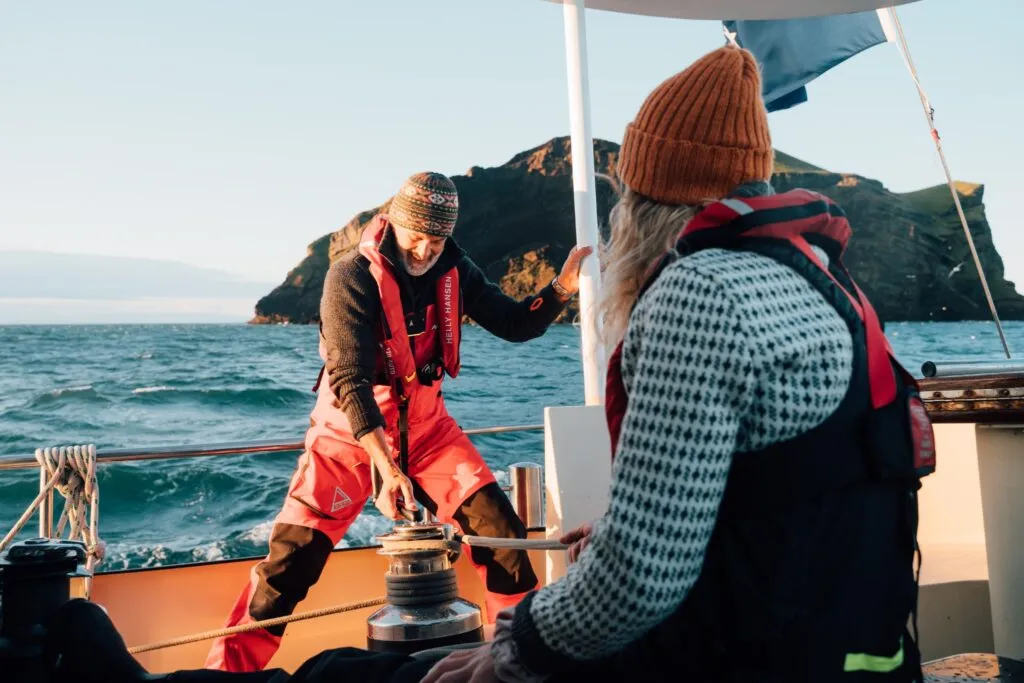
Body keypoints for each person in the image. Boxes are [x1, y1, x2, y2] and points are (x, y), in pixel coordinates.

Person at [423, 44, 936, 683]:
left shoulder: (701, 292)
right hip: (856, 656)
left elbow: (637, 581)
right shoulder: (827, 284)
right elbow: (784, 498)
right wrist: (621, 531)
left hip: (743, 662)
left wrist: (507, 655)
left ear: (645, 200)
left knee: (386, 670)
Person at [205, 171, 592, 673]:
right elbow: (348, 379)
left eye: (436, 241)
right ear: (395, 224)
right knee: (288, 569)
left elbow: (517, 324)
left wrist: (562, 286)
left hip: (431, 435)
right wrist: (385, 467)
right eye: (417, 238)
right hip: (346, 439)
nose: (425, 252)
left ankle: (512, 663)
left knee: (506, 546)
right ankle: (224, 672)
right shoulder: (350, 275)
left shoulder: (456, 270)